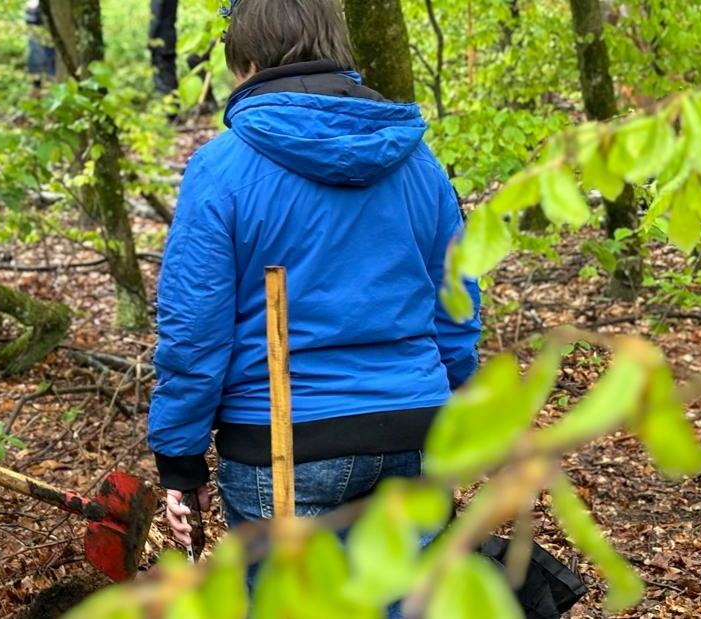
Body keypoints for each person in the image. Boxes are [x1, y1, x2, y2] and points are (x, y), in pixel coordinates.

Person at [148, 0, 481, 609]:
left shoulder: (222, 169)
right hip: (414, 425)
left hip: (285, 439)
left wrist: (180, 457)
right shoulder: (419, 163)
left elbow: (194, 330)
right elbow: (455, 306)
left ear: (245, 60)